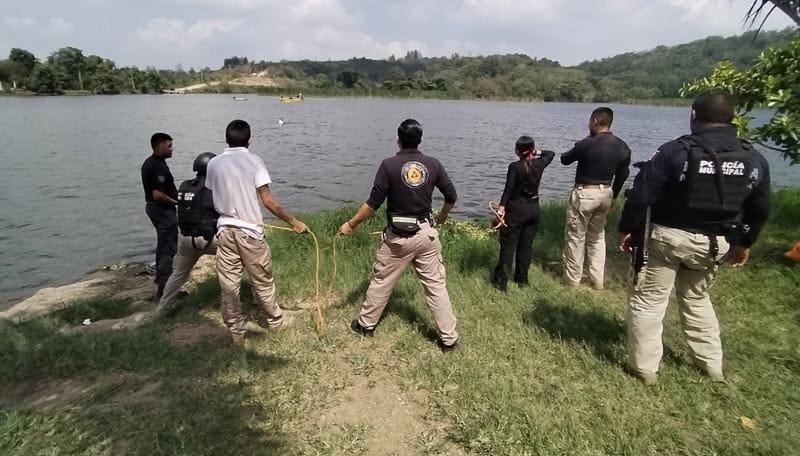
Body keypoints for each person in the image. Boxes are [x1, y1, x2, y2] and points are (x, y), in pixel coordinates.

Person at [618, 91, 771, 385]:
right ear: (733, 118)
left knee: (649, 302)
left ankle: (645, 369)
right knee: (697, 299)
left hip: (667, 239)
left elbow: (641, 195)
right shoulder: (753, 159)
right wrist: (744, 244)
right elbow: (761, 208)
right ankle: (711, 365)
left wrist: (626, 229)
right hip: (715, 244)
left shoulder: (675, 152)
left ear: (693, 115)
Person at [339, 119, 459, 352]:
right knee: (436, 287)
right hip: (427, 235)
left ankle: (365, 325)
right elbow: (451, 196)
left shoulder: (388, 165)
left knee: (382, 281)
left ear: (398, 140)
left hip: (397, 240)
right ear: (420, 140)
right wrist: (443, 215)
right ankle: (449, 339)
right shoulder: (433, 164)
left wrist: (350, 224)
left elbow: (372, 204)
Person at [205, 119, 309, 345]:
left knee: (228, 285)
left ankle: (236, 332)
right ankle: (276, 322)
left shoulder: (213, 163)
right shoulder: (254, 161)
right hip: (250, 232)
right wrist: (293, 222)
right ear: (250, 140)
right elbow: (268, 201)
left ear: (226, 139)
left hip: (225, 230)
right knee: (262, 279)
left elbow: (211, 195)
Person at [561, 107, 631, 290]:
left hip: (585, 193)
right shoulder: (623, 146)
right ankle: (597, 279)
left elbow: (565, 159)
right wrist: (614, 194)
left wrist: (580, 144)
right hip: (606, 192)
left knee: (576, 237)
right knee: (597, 237)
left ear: (595, 120)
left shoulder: (587, 144)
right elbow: (623, 174)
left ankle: (572, 279)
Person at [155, 152, 219, 317]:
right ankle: (235, 302)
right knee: (242, 256)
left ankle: (162, 309)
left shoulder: (185, 186)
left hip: (185, 240)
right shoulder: (214, 188)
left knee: (177, 275)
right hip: (211, 239)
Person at [491, 136, 555, 291]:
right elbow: (551, 154)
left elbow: (508, 189)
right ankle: (522, 280)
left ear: (517, 151)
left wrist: (501, 208)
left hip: (516, 210)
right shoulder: (539, 163)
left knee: (508, 247)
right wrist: (535, 152)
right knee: (526, 246)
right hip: (534, 209)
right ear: (531, 150)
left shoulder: (515, 167)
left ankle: (501, 282)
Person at [141, 132, 179, 301]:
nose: (172, 149)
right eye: (169, 146)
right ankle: (165, 290)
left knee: (164, 245)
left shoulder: (152, 162)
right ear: (160, 146)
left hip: (156, 209)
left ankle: (163, 283)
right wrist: (177, 202)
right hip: (162, 211)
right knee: (168, 248)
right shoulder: (156, 166)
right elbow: (157, 194)